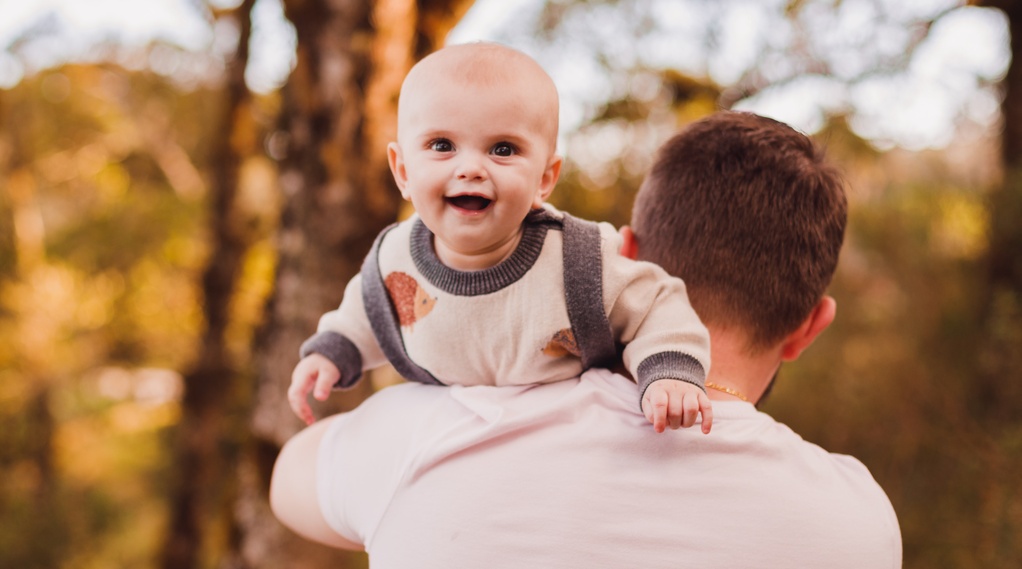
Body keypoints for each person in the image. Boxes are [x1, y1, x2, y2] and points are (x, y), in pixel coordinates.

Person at [271, 111, 903, 569]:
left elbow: (290, 476)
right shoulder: (864, 525)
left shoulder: (440, 431)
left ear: (624, 254)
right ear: (808, 327)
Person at [288, 42, 712, 433]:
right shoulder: (395, 261)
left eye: (503, 150)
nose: (471, 167)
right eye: (442, 145)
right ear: (402, 171)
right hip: (455, 449)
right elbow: (366, 313)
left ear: (544, 178)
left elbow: (656, 303)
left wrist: (669, 371)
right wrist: (332, 352)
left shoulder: (577, 264)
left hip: (565, 442)